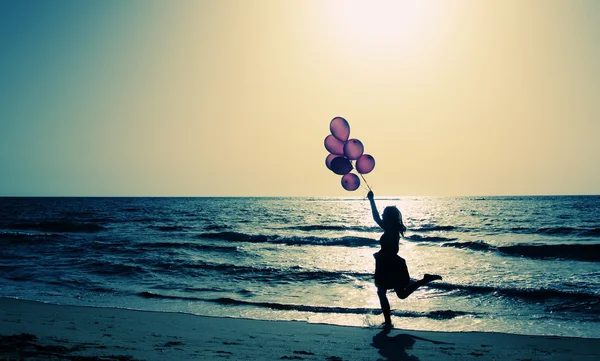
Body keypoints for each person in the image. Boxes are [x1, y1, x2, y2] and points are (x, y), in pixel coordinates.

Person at [367, 190, 442, 326]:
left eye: (384, 214)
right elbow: (377, 218)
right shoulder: (392, 229)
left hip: (390, 264)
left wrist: (371, 200)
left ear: (388, 218)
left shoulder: (390, 229)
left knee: (396, 294)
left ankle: (424, 280)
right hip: (387, 263)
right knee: (383, 292)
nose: (382, 216)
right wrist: (371, 200)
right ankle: (388, 321)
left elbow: (376, 218)